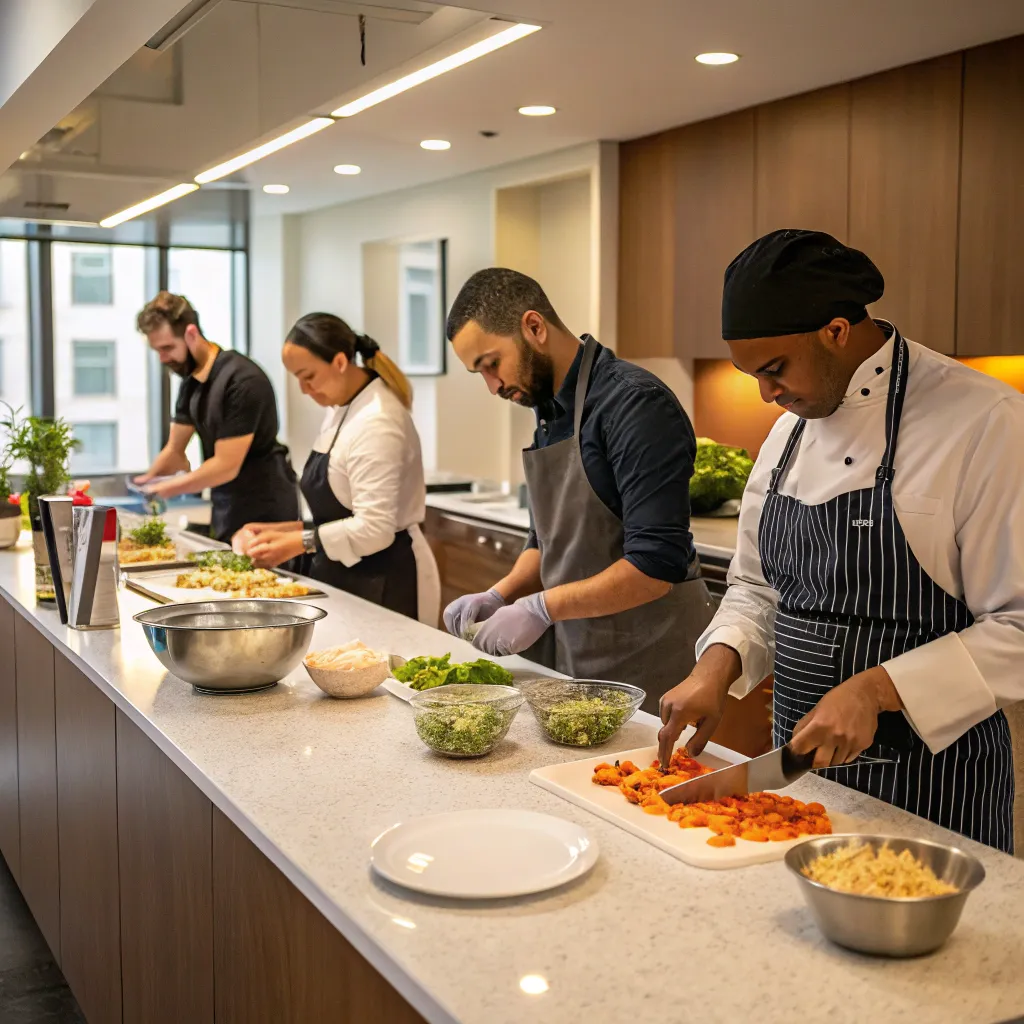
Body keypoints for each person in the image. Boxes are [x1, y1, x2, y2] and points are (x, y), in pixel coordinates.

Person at [658, 228, 1024, 852]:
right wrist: (715, 667)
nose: (766, 394)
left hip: (933, 782)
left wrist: (878, 689)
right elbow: (755, 587)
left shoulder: (985, 423)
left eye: (774, 370)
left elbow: (1017, 624)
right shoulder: (789, 433)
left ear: (835, 331)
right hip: (801, 778)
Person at [444, 268, 714, 712]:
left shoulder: (635, 405)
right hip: (582, 656)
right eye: (480, 373)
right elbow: (545, 543)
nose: (492, 386)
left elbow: (654, 566)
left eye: (492, 364)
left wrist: (539, 609)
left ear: (534, 327)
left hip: (653, 668)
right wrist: (500, 594)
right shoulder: (549, 411)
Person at [235, 313, 440, 626]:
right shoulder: (342, 408)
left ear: (340, 362)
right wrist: (279, 531)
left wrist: (299, 542)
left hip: (389, 579)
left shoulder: (378, 420)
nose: (304, 389)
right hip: (350, 575)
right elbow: (340, 512)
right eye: (296, 379)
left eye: (309, 376)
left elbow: (374, 529)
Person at [135, 291, 298, 543]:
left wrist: (167, 489)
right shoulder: (190, 383)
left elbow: (226, 465)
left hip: (265, 508)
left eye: (167, 348)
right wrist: (145, 483)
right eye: (157, 350)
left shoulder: (242, 381)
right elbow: (175, 451)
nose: (163, 358)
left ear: (191, 334)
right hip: (226, 503)